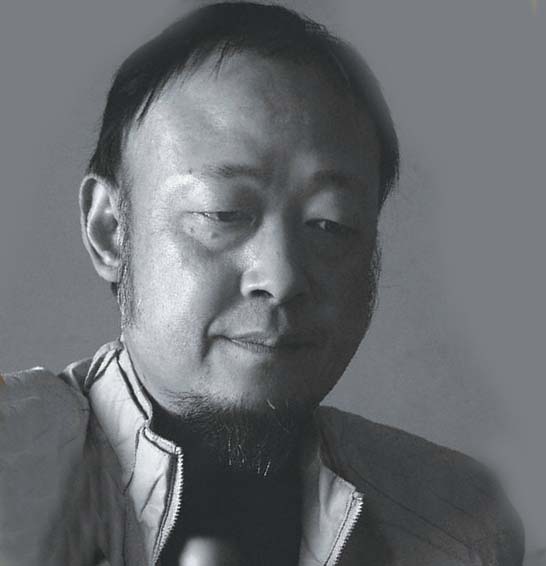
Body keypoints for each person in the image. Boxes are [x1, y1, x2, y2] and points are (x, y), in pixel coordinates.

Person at [0, 2, 524, 565]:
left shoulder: (462, 527)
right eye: (223, 213)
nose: (282, 276)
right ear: (109, 230)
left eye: (331, 222)